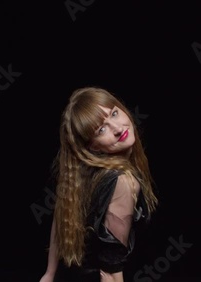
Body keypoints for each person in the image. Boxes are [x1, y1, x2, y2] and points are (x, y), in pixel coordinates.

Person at [39, 86, 159, 282]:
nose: (118, 128)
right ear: (93, 146)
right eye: (101, 129)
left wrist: (49, 274)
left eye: (114, 113)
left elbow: (60, 218)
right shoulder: (123, 181)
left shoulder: (80, 176)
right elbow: (111, 262)